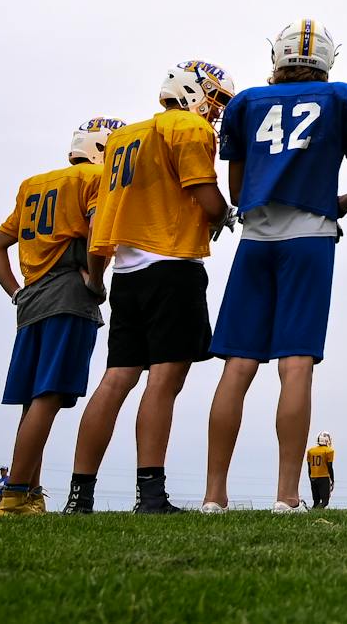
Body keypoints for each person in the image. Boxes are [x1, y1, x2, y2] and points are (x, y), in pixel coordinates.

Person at [203, 22, 347, 513]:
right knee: (296, 363)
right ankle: (286, 495)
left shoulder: (244, 105)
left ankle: (213, 495)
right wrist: (336, 203)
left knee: (238, 364)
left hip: (256, 238)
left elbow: (238, 193)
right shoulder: (344, 99)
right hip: (311, 238)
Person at [69, 60, 234, 515]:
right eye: (215, 98)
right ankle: (151, 494)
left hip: (125, 270)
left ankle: (79, 494)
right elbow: (205, 196)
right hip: (171, 266)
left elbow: (105, 216)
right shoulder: (188, 128)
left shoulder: (123, 137)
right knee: (164, 380)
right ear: (194, 91)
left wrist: (97, 276)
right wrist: (224, 215)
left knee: (116, 377)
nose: (216, 111)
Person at [0, 117, 117, 516]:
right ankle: (15, 494)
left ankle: (28, 491)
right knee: (51, 394)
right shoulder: (95, 179)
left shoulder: (34, 184)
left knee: (33, 400)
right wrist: (95, 280)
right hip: (67, 293)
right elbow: (96, 234)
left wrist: (15, 292)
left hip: (33, 297)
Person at [307, 434, 335, 509]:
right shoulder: (329, 451)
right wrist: (332, 479)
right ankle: (316, 512)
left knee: (316, 502)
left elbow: (309, 467)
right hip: (323, 477)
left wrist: (310, 477)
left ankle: (312, 513)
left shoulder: (311, 451)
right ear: (327, 440)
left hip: (313, 477)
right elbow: (329, 466)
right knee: (325, 501)